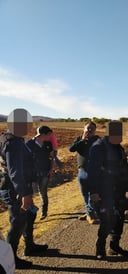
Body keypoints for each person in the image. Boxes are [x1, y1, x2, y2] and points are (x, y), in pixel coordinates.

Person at [0, 108, 48, 269]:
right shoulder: (14, 142)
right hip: (16, 190)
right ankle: (11, 258)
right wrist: (25, 194)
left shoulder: (9, 138)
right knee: (17, 222)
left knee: (28, 217)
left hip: (18, 187)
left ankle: (30, 246)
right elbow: (15, 172)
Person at [88, 121, 128, 260]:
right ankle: (100, 248)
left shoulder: (118, 148)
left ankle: (114, 246)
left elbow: (124, 167)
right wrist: (94, 192)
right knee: (107, 220)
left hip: (119, 190)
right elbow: (92, 172)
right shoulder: (98, 148)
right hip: (103, 191)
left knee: (119, 219)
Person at [69, 121, 100, 224]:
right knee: (84, 194)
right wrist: (83, 140)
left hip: (94, 172)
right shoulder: (79, 139)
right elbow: (71, 149)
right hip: (81, 171)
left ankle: (91, 215)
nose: (89, 130)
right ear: (84, 129)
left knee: (92, 194)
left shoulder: (98, 140)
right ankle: (89, 212)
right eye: (88, 128)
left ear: (95, 131)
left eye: (92, 129)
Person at [26, 125, 55, 220]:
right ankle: (30, 214)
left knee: (43, 193)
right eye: (49, 134)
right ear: (42, 134)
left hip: (45, 173)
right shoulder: (29, 144)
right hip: (32, 175)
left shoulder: (48, 144)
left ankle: (44, 212)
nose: (50, 136)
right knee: (30, 194)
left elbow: (51, 157)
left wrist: (51, 169)